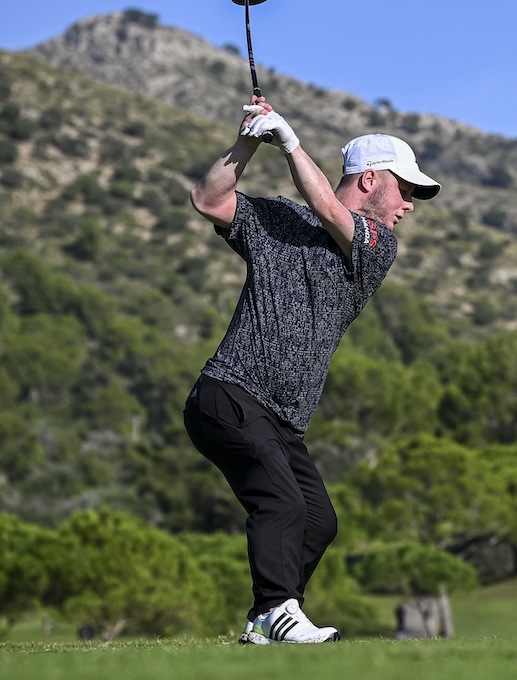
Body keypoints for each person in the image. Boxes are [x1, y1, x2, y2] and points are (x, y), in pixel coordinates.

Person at [182, 97, 440, 644]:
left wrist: (291, 142)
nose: (410, 205)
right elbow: (207, 199)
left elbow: (327, 208)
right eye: (406, 189)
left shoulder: (377, 247)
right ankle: (277, 608)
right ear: (370, 179)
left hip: (281, 419)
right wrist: (248, 142)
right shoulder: (280, 219)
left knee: (319, 520)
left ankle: (266, 619)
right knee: (282, 501)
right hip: (230, 392)